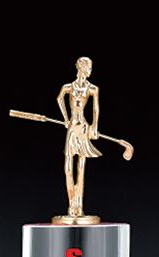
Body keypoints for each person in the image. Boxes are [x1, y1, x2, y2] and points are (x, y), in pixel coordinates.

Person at [57, 57, 101, 217]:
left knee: (81, 168)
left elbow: (96, 109)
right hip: (72, 128)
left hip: (83, 128)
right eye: (88, 68)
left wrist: (94, 127)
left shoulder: (92, 89)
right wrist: (65, 118)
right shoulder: (68, 87)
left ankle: (78, 206)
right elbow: (59, 98)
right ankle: (72, 203)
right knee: (68, 169)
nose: (90, 71)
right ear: (81, 68)